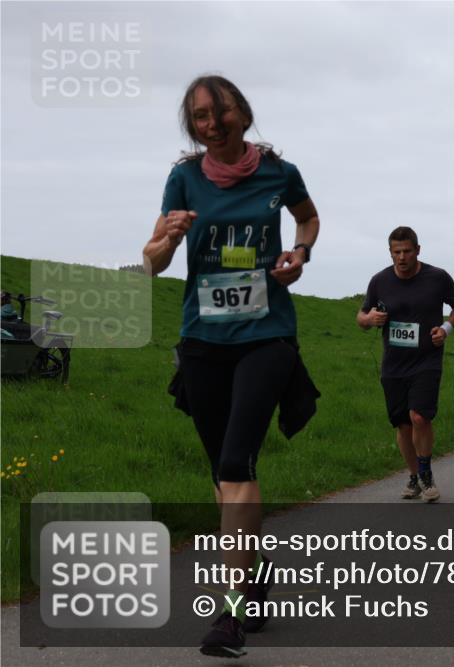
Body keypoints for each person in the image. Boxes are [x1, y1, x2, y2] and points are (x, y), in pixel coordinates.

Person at [143, 75, 320, 658]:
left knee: (237, 461)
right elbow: (153, 261)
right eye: (199, 116)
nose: (211, 122)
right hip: (202, 340)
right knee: (223, 477)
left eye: (220, 111)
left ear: (242, 113)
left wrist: (300, 253)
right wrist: (166, 239)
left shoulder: (279, 172)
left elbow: (308, 218)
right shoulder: (184, 178)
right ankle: (254, 563)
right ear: (192, 126)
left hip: (267, 336)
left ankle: (230, 613)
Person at [357, 227, 454, 503]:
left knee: (420, 416)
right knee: (403, 425)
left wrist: (446, 329)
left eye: (407, 251)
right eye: (396, 252)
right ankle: (414, 475)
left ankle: (426, 473)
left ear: (418, 250)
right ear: (390, 252)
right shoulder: (379, 281)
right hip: (393, 363)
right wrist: (369, 319)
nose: (402, 257)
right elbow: (361, 316)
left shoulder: (437, 278)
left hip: (427, 358)